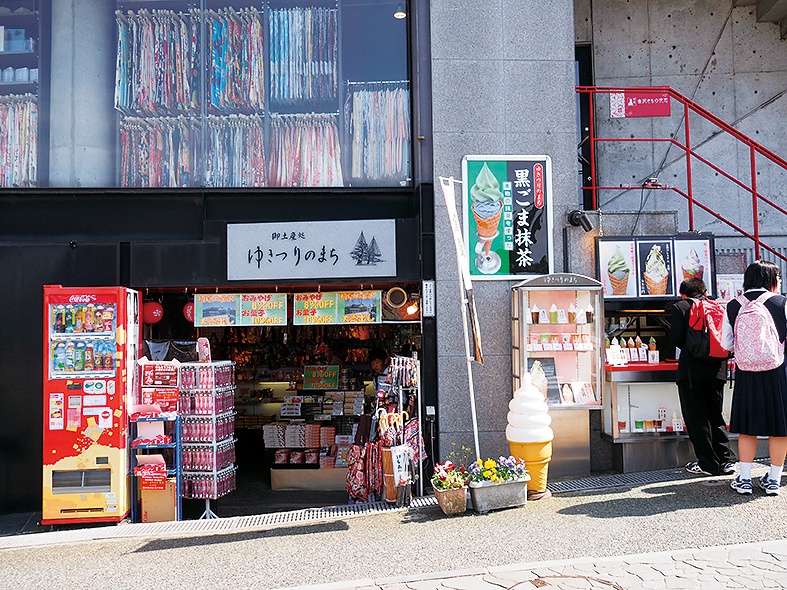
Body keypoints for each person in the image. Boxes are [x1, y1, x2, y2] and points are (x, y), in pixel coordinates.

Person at [723, 260, 787, 495]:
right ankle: (773, 480)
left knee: (747, 427)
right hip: (777, 371)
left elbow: (726, 343)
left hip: (746, 372)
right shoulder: (782, 303)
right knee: (779, 427)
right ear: (771, 280)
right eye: (778, 279)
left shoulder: (733, 305)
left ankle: (746, 479)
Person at [669, 277, 736, 476]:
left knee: (697, 417)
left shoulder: (680, 307)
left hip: (692, 372)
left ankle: (708, 463)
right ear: (704, 291)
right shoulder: (717, 307)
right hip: (718, 370)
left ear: (683, 293)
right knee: (716, 415)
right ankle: (726, 460)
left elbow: (676, 338)